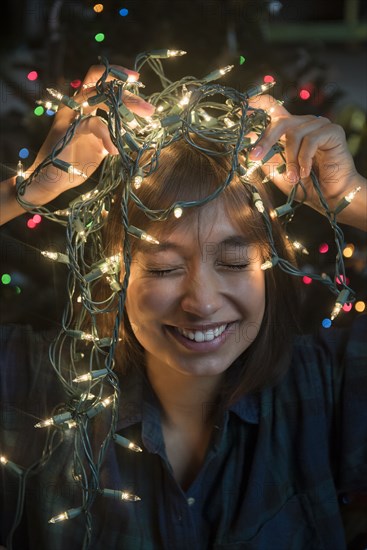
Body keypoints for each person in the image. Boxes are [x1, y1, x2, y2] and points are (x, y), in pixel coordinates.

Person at [0, 63, 366, 550]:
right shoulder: (34, 386)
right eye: (164, 268)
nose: (203, 302)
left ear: (269, 269)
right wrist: (24, 191)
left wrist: (353, 198)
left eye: (235, 263)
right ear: (115, 273)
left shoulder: (325, 388)